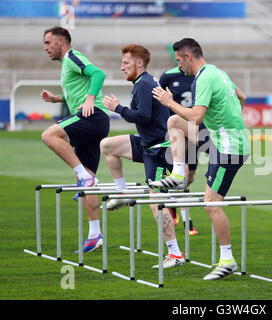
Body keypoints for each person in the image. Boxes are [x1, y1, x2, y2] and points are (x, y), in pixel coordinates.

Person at [149, 38, 250, 281]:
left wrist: (169, 102)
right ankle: (178, 174)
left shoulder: (204, 77)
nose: (178, 65)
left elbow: (195, 116)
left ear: (188, 56)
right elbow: (242, 97)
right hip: (220, 140)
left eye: (178, 60)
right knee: (174, 122)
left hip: (228, 148)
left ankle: (227, 261)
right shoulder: (217, 72)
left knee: (211, 203)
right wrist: (229, 120)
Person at [99, 44, 185, 269]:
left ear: (139, 63)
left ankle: (175, 254)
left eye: (125, 63)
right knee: (107, 146)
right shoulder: (142, 83)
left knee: (155, 200)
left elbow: (143, 116)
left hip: (159, 150)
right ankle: (122, 191)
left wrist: (117, 108)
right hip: (146, 143)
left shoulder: (144, 84)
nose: (121, 67)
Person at [41, 26, 109, 253]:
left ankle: (85, 178)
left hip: (93, 116)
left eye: (48, 43)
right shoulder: (66, 64)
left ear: (62, 41)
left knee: (49, 135)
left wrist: (90, 99)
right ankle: (95, 234)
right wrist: (56, 98)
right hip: (91, 119)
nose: (45, 48)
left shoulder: (72, 56)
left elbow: (98, 74)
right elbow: (76, 92)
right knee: (87, 175)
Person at [159, 65, 203, 236]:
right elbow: (160, 101)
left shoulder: (200, 75)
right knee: (183, 173)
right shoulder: (168, 76)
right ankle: (187, 223)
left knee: (190, 176)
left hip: (194, 130)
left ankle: (173, 201)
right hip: (176, 131)